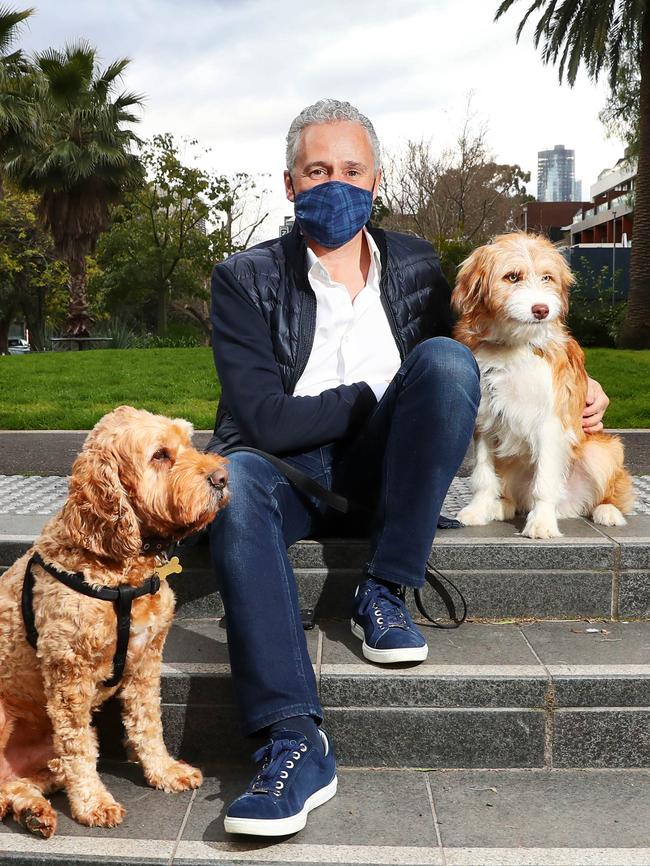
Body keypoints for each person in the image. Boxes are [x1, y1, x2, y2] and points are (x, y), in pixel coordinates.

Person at [206, 99, 610, 837]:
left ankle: (384, 589)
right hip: (281, 470)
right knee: (234, 485)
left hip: (387, 469)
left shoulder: (418, 266)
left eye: (352, 170)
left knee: (444, 361)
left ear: (377, 179)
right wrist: (366, 397)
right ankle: (294, 741)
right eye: (317, 170)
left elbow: (481, 340)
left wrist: (576, 379)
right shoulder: (243, 277)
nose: (336, 184)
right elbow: (263, 420)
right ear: (290, 183)